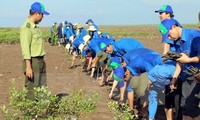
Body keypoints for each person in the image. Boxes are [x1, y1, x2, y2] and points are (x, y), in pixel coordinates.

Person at [159, 19, 200, 119]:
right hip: (187, 76)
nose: (169, 38)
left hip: (197, 76)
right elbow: (180, 61)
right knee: (183, 106)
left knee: (190, 105)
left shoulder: (194, 36)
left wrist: (189, 60)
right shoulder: (178, 42)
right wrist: (174, 78)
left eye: (169, 35)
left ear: (174, 26)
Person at [155, 5, 182, 120]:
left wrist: (163, 61)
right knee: (177, 96)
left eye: (162, 13)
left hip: (173, 64)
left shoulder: (168, 25)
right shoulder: (175, 23)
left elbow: (166, 47)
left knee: (170, 95)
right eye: (159, 13)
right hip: (178, 63)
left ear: (168, 14)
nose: (160, 15)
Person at [19, 2, 49, 100]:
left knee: (42, 86)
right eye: (42, 14)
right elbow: (25, 48)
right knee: (31, 88)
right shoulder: (26, 28)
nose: (43, 17)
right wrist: (28, 67)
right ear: (37, 13)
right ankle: (30, 112)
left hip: (40, 60)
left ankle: (41, 111)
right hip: (33, 61)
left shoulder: (36, 27)